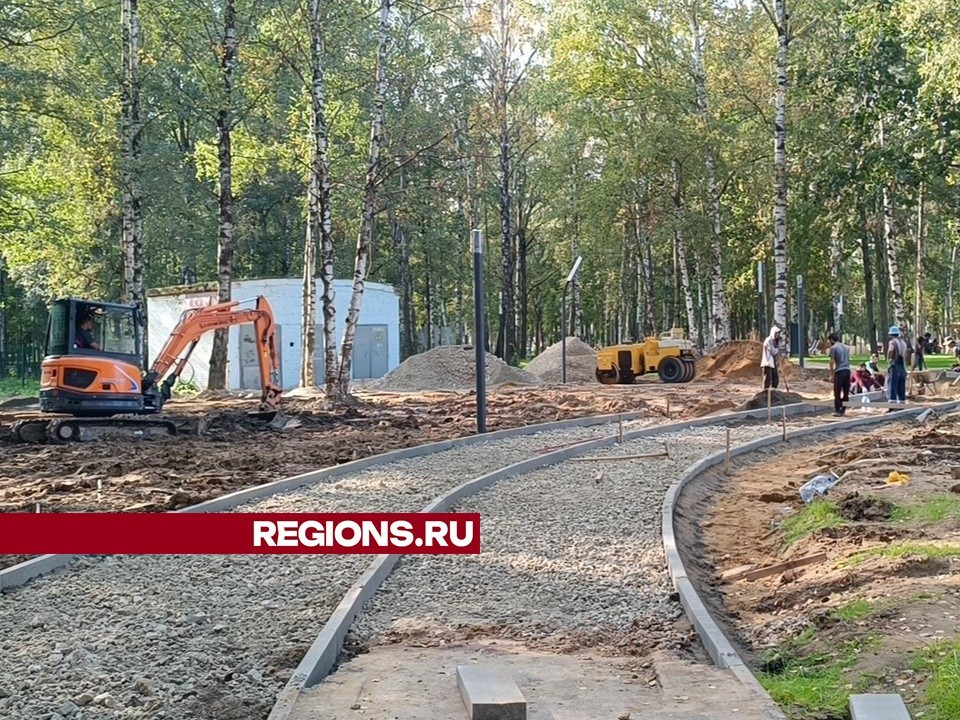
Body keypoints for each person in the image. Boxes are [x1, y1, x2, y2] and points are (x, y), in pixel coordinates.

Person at [828, 332, 851, 416]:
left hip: (839, 371)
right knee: (846, 391)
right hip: (847, 370)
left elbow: (831, 362)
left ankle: (838, 410)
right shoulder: (846, 347)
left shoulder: (833, 348)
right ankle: (843, 409)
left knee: (837, 391)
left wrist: (831, 374)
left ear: (831, 340)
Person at [886, 325, 908, 409]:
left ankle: (892, 403)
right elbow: (906, 355)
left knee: (892, 384)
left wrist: (890, 361)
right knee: (901, 384)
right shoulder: (903, 342)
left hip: (895, 364)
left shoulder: (893, 342)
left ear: (891, 334)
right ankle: (901, 402)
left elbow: (891, 350)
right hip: (902, 365)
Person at [760, 325, 783, 389]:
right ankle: (765, 393)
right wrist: (778, 349)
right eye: (777, 333)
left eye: (779, 333)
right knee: (767, 379)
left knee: (775, 379)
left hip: (773, 363)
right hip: (768, 362)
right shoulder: (769, 340)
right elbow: (773, 351)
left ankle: (773, 392)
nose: (778, 335)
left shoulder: (774, 341)